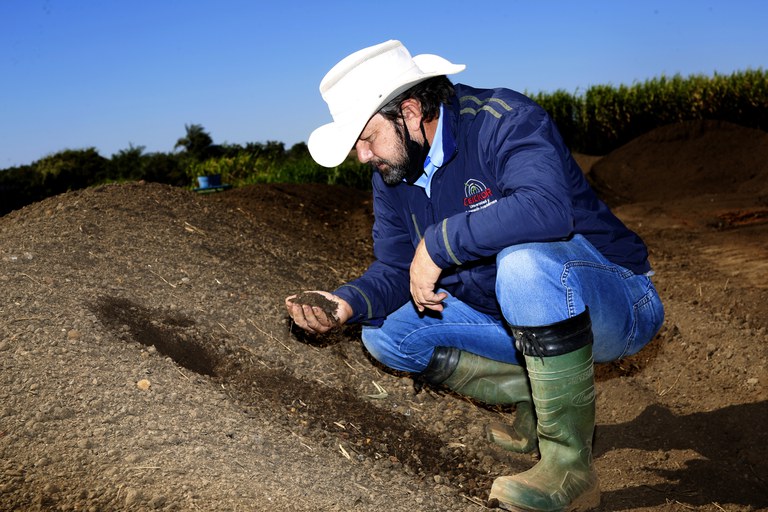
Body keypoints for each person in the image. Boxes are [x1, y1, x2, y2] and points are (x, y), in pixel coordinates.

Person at [285, 40, 664, 511]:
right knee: (386, 335)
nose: (363, 157)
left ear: (409, 111)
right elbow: (393, 267)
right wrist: (344, 303)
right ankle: (540, 396)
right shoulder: (394, 173)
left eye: (367, 139)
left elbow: (546, 208)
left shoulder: (504, 119)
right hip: (509, 313)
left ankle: (570, 468)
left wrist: (439, 243)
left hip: (616, 298)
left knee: (522, 262)